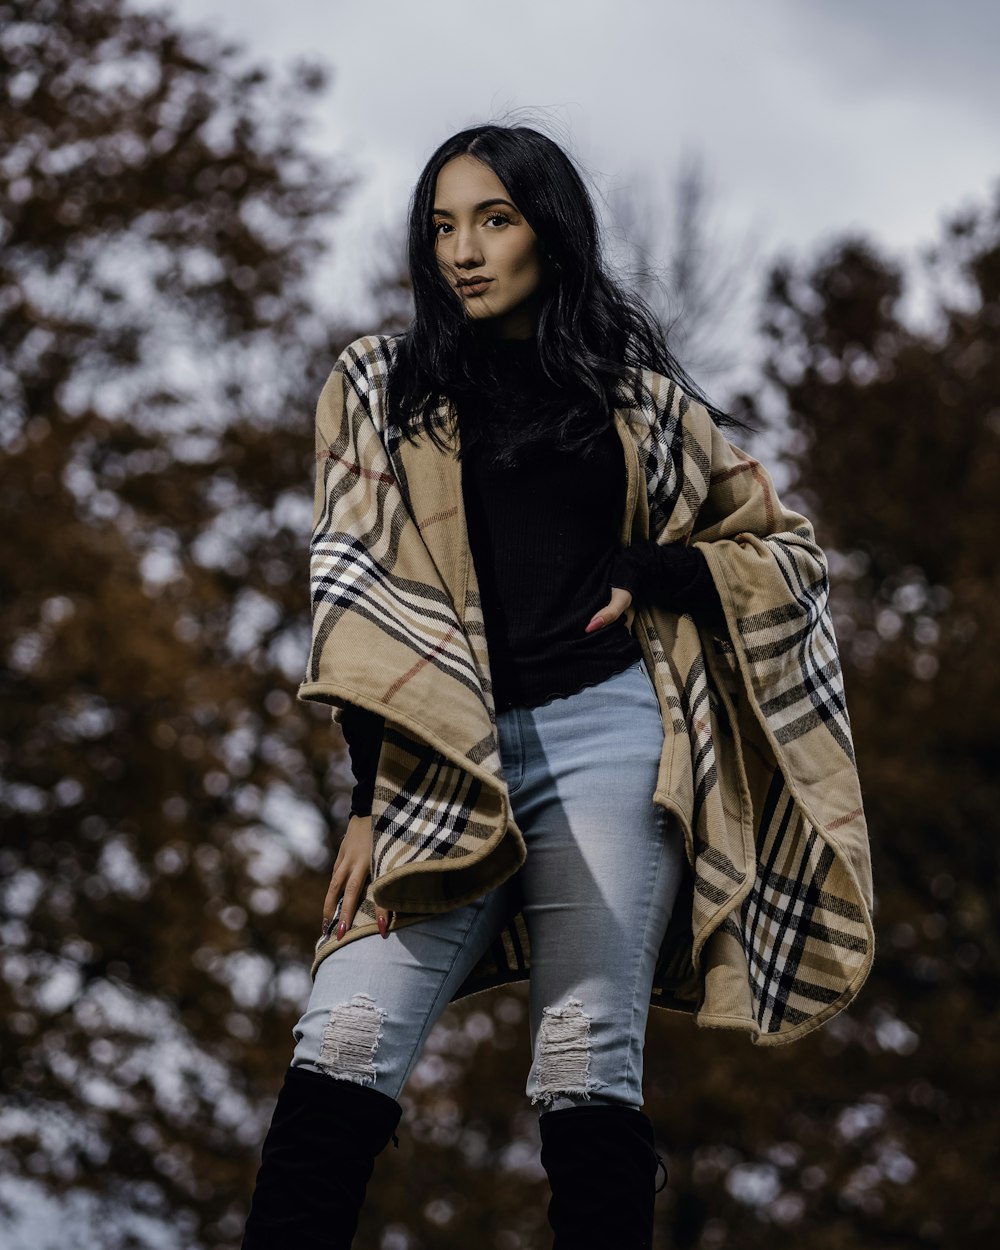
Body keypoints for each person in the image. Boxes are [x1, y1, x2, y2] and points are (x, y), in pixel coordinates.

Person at [241, 124, 873, 1250]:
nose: (463, 251)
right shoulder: (379, 385)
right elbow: (356, 595)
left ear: (551, 231)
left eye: (495, 219)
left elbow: (789, 556)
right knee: (340, 1036)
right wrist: (366, 798)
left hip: (612, 743)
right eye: (443, 225)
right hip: (444, 754)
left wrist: (662, 568)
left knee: (586, 1063)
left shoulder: (642, 407)